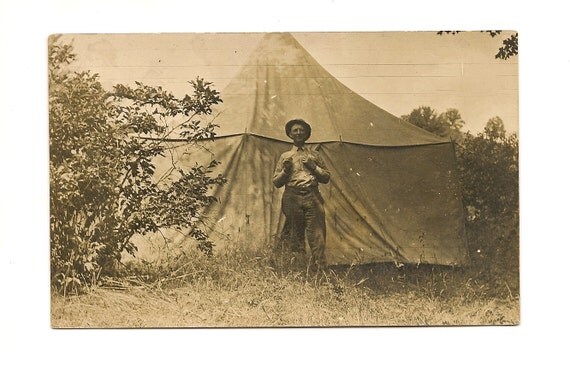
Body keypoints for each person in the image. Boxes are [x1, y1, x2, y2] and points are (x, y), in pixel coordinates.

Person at [273, 119, 331, 269]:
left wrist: (314, 167)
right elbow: (276, 182)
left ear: (306, 134)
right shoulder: (285, 156)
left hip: (312, 196)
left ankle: (320, 270)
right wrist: (286, 171)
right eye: (295, 130)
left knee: (317, 235)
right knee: (295, 234)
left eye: (301, 130)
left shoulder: (314, 155)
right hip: (292, 197)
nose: (298, 133)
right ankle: (298, 270)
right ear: (290, 134)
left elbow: (326, 177)